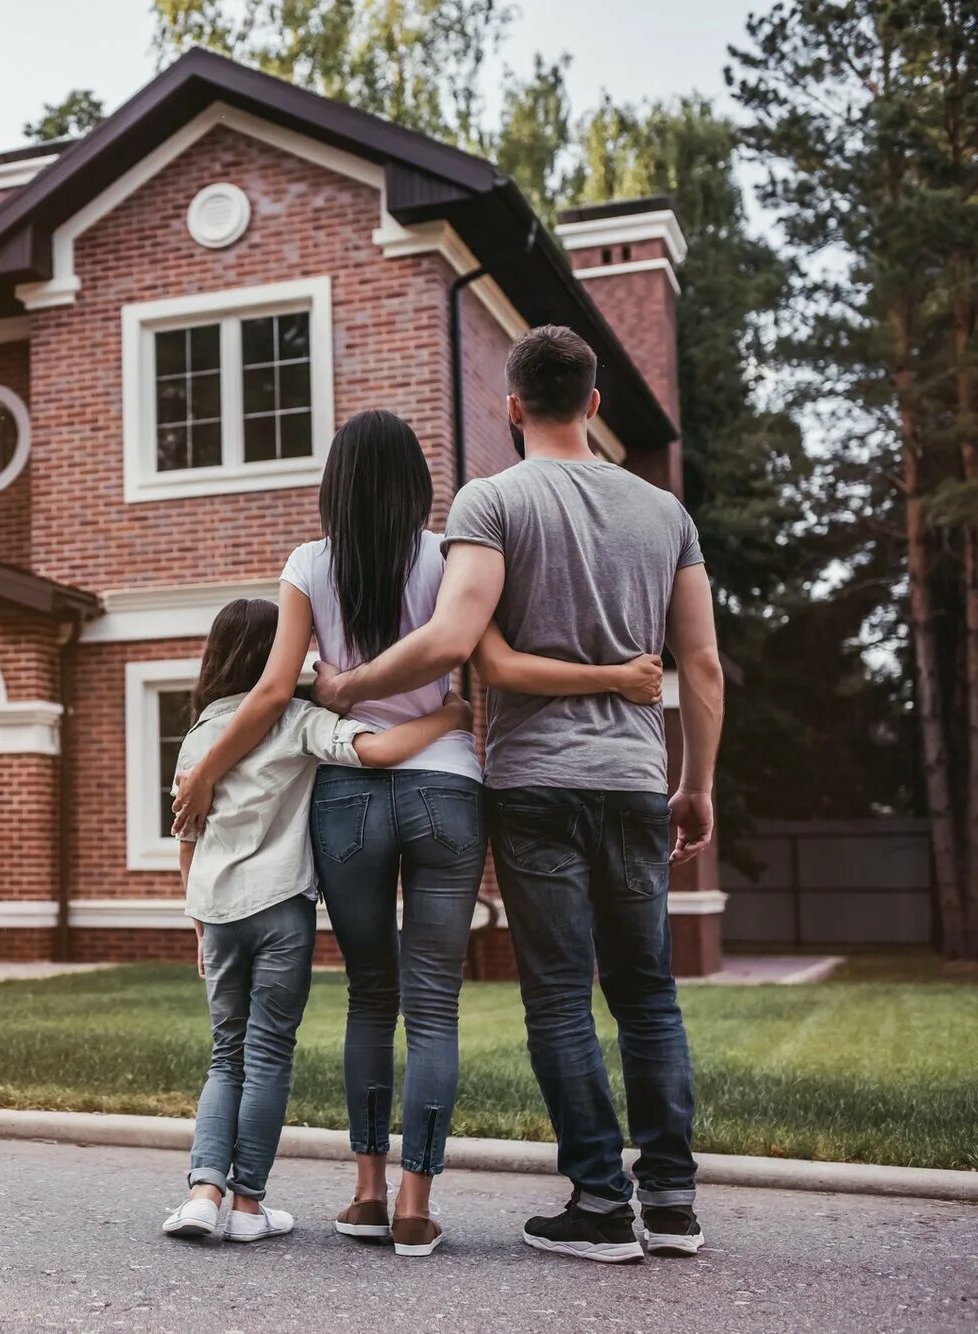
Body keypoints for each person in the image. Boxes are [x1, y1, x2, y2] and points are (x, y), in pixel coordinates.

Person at [170, 409, 663, 1258]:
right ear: (418, 486)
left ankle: (363, 1193)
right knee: (434, 1007)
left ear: (333, 484)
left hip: (350, 798)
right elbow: (489, 657)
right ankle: (413, 1205)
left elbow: (270, 693)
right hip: (445, 789)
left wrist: (209, 768)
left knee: (371, 995)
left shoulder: (308, 564)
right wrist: (457, 711)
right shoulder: (452, 556)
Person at [306, 326, 725, 1264]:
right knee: (649, 996)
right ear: (596, 402)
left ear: (512, 406)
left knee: (563, 1001)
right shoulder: (666, 514)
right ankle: (673, 1201)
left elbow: (457, 641)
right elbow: (699, 660)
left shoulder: (491, 501)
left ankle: (600, 1206)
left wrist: (348, 686)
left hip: (535, 784)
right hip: (631, 780)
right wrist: (694, 783)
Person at [160, 596, 472, 1244]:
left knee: (226, 1056)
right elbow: (380, 750)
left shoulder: (196, 736)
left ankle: (201, 1193)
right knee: (268, 1054)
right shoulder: (299, 721)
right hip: (281, 912)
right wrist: (448, 715)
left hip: (216, 915)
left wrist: (198, 923)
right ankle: (247, 1206)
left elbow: (186, 838)